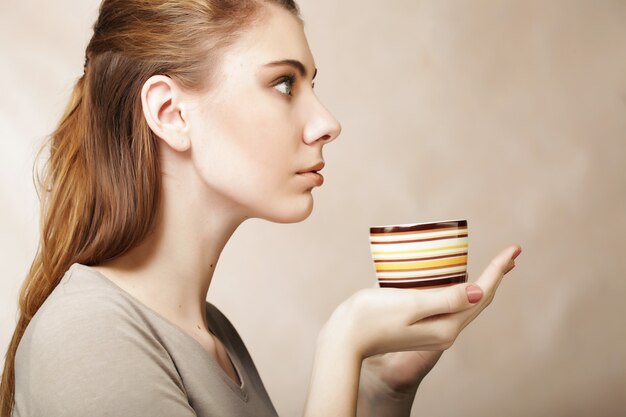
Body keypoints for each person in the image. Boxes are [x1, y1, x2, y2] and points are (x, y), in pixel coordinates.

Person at [0, 0, 522, 416]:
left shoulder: (213, 334)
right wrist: (344, 341)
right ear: (170, 112)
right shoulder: (87, 340)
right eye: (283, 83)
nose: (326, 123)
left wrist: (380, 386)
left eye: (310, 84)